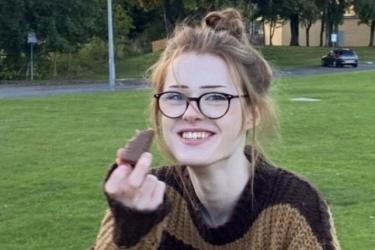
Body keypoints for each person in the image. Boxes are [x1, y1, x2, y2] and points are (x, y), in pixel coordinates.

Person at [91, 8, 341, 250]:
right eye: (176, 97)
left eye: (214, 97)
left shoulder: (294, 207)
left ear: (252, 114)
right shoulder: (142, 198)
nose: (190, 113)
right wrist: (131, 233)